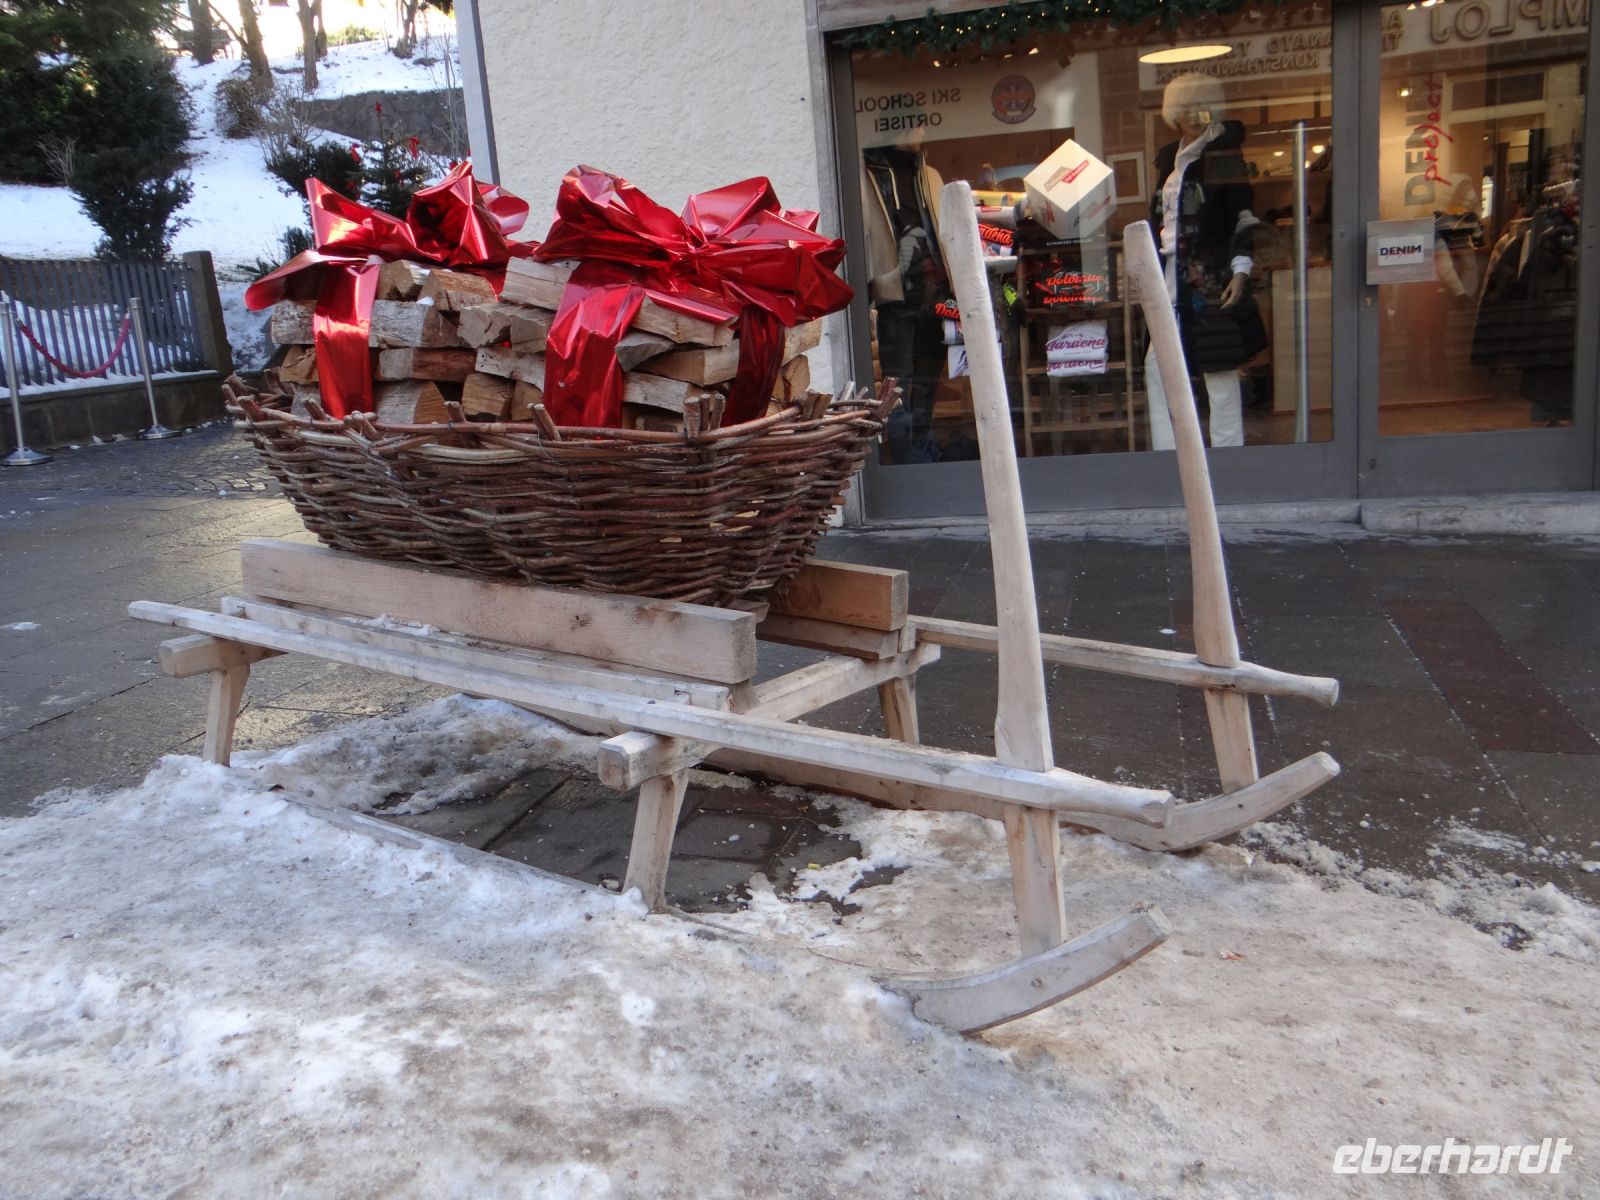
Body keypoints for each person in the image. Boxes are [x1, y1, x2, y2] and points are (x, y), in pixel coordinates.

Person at [1145, 72, 1266, 450]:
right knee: (1156, 363)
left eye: (1203, 107)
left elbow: (1242, 214)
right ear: (1175, 114)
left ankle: (1228, 453)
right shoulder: (1170, 161)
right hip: (1169, 271)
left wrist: (1240, 269)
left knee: (1220, 366)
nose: (1198, 116)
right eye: (1189, 109)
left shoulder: (1223, 153)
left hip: (1210, 273)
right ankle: (1170, 453)